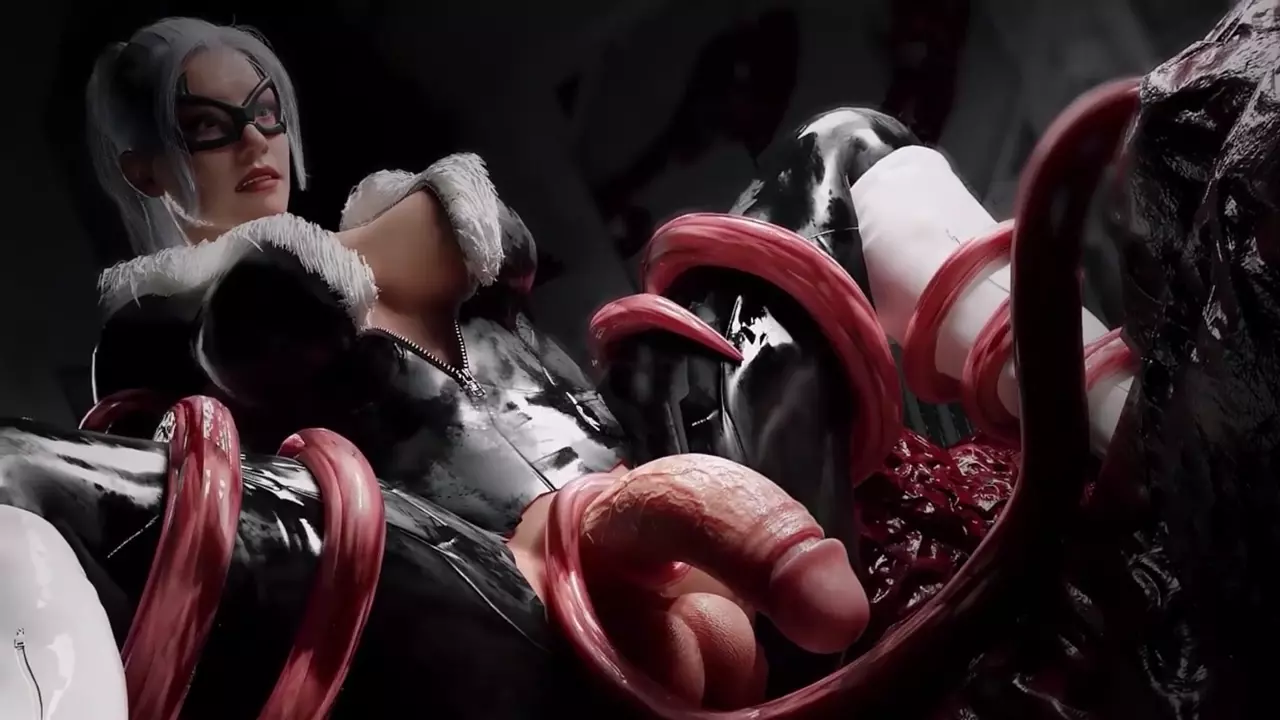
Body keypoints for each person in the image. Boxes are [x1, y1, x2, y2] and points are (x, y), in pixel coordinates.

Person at [64, 15, 871, 717]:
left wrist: (401, 230)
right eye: (207, 126)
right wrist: (414, 225)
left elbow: (495, 237)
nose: (254, 141)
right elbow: (295, 320)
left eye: (264, 112)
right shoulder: (161, 328)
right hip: (504, 595)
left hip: (638, 466)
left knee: (843, 148)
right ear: (145, 168)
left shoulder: (365, 231)